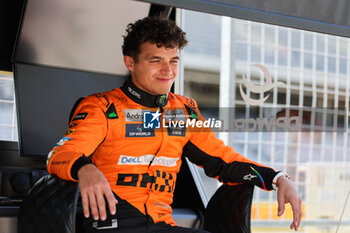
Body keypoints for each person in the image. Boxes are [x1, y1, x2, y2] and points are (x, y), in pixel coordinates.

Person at [47, 16, 302, 232]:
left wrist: (278, 178)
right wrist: (85, 169)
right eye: (155, 60)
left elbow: (223, 161)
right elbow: (60, 155)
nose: (167, 70)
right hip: (113, 224)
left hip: (162, 224)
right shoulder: (102, 108)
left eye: (174, 60)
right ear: (130, 63)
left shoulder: (182, 112)